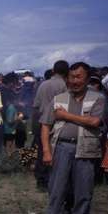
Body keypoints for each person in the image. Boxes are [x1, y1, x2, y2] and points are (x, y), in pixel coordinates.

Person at [40, 62, 105, 214]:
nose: (74, 81)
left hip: (86, 149)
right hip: (61, 148)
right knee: (56, 192)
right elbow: (45, 125)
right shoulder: (59, 98)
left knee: (83, 194)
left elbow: (95, 121)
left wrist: (65, 115)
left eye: (78, 77)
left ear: (87, 78)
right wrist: (46, 151)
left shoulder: (97, 98)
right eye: (71, 77)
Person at [32, 60, 69, 189]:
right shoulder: (65, 85)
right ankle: (55, 179)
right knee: (58, 151)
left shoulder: (43, 84)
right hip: (59, 122)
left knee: (43, 150)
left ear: (53, 70)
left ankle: (41, 179)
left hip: (42, 121)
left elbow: (36, 105)